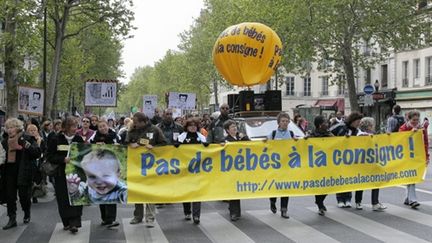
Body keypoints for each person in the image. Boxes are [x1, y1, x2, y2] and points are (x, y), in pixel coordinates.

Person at [67, 150, 126, 228]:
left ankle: (110, 219)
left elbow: (125, 193)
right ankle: (105, 218)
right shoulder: (88, 186)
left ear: (118, 175)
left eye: (106, 176)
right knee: (102, 200)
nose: (99, 181)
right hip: (98, 196)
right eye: (92, 176)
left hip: (112, 194)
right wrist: (74, 190)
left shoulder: (119, 189)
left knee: (111, 201)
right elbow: (78, 195)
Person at [126, 112, 166, 227]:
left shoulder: (155, 130)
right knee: (137, 191)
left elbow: (164, 144)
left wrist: (154, 147)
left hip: (151, 166)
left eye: (137, 122)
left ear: (143, 121)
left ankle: (150, 217)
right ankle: (137, 216)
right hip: (135, 166)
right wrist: (130, 144)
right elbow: (125, 142)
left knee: (149, 192)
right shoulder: (132, 130)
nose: (135, 124)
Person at [46, 117, 84, 233]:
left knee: (76, 196)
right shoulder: (56, 139)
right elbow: (50, 156)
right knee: (63, 198)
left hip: (75, 174)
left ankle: (75, 222)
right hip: (61, 174)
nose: (75, 129)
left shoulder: (78, 139)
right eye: (72, 126)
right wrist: (63, 159)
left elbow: (83, 154)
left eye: (76, 126)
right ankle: (66, 222)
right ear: (66, 127)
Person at [2, 118, 41, 230]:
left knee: (24, 196)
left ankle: (26, 212)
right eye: (8, 128)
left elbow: (37, 153)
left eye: (12, 127)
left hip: (23, 171)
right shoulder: (4, 141)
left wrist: (26, 145)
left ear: (18, 128)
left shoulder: (26, 139)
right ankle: (12, 218)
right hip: (9, 172)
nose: (10, 130)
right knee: (10, 196)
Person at [88, 119, 122, 228]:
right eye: (100, 127)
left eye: (104, 126)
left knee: (111, 192)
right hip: (98, 170)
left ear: (108, 126)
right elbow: (87, 146)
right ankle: (104, 218)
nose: (103, 128)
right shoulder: (94, 137)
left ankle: (111, 218)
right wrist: (95, 145)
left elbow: (121, 146)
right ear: (98, 128)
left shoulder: (115, 135)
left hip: (111, 169)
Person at [176, 118, 207, 224]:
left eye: (194, 125)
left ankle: (196, 215)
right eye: (190, 125)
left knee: (197, 193)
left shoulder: (201, 137)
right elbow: (174, 148)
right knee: (186, 192)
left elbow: (209, 148)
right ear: (187, 127)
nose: (193, 127)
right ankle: (187, 212)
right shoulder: (182, 137)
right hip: (185, 169)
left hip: (198, 170)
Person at [329, 112, 363, 208]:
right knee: (340, 177)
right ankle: (340, 199)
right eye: (357, 121)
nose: (358, 123)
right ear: (352, 120)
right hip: (338, 156)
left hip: (349, 157)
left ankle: (348, 199)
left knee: (348, 177)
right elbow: (329, 132)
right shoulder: (341, 126)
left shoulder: (356, 131)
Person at [354, 117, 387, 211]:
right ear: (368, 126)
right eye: (372, 125)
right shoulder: (360, 135)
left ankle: (375, 202)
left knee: (376, 182)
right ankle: (358, 201)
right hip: (362, 162)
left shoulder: (373, 134)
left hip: (372, 161)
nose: (373, 126)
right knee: (361, 182)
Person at [399, 110, 430, 209]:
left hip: (417, 156)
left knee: (412, 176)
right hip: (406, 156)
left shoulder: (421, 129)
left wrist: (426, 156)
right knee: (411, 176)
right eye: (413, 120)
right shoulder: (403, 128)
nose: (415, 122)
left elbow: (425, 143)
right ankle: (413, 200)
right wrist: (410, 133)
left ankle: (408, 198)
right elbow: (399, 140)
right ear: (409, 119)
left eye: (417, 120)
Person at [267, 112, 294, 219]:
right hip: (275, 166)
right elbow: (267, 146)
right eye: (283, 121)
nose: (285, 123)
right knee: (274, 186)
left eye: (287, 121)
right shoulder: (273, 134)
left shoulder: (291, 134)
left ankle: (284, 209)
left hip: (287, 166)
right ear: (278, 122)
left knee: (285, 188)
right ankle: (272, 201)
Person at [223, 120, 249, 221]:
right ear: (227, 130)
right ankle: (234, 212)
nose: (234, 129)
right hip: (231, 168)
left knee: (238, 190)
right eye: (232, 127)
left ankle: (235, 210)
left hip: (240, 167)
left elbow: (250, 145)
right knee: (233, 190)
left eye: (235, 127)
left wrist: (244, 137)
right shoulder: (226, 140)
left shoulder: (240, 137)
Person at [308, 115, 333, 216]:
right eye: (325, 123)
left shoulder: (330, 134)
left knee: (328, 186)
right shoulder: (312, 135)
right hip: (317, 164)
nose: (327, 124)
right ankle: (320, 204)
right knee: (319, 185)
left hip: (328, 164)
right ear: (319, 125)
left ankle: (320, 201)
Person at [26, 124, 46, 203]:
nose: (33, 132)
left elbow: (44, 150)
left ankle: (35, 195)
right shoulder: (27, 141)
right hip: (30, 162)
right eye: (31, 130)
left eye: (34, 130)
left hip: (39, 161)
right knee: (30, 180)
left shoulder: (41, 140)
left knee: (37, 179)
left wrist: (43, 156)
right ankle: (29, 195)